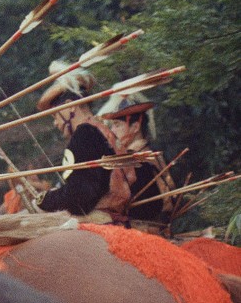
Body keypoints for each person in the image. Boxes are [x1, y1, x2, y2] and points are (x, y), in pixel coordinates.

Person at [35, 62, 146, 222]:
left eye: (55, 114)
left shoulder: (84, 134)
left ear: (69, 106)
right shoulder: (102, 130)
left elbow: (80, 196)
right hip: (113, 218)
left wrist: (46, 199)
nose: (55, 123)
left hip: (99, 220)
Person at [98, 94, 170, 222]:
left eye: (117, 125)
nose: (112, 131)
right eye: (112, 125)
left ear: (135, 127)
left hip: (145, 226)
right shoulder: (147, 154)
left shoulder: (138, 161)